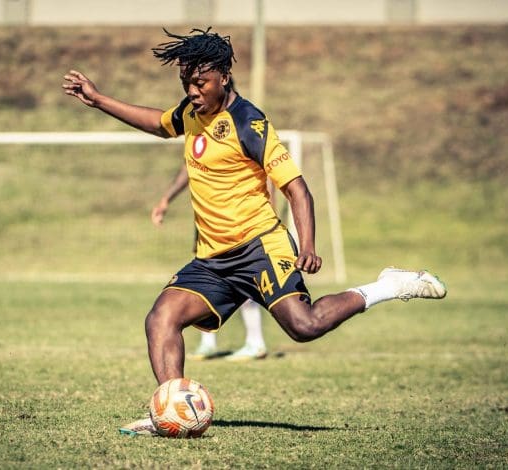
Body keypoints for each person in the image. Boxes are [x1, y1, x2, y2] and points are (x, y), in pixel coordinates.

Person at [62, 27, 447, 437]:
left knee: (305, 326)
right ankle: (171, 410)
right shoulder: (192, 114)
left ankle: (388, 286)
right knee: (162, 317)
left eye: (200, 83)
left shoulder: (249, 123)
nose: (193, 92)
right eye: (186, 83)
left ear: (223, 77)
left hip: (260, 247)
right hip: (213, 260)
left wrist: (309, 245)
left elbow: (298, 189)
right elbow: (159, 124)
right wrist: (98, 99)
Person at [151, 164, 268, 361]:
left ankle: (256, 341)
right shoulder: (198, 137)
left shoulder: (240, 135)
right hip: (209, 221)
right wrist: (166, 199)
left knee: (244, 277)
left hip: (240, 221)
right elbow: (188, 166)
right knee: (207, 278)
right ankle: (208, 343)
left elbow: (263, 172)